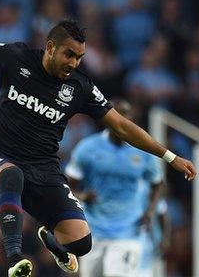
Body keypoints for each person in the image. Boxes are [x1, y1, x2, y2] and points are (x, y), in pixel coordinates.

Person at [0, 0, 197, 277]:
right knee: (11, 175)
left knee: (82, 244)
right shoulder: (15, 58)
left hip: (44, 171)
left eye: (80, 57)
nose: (74, 63)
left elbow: (122, 126)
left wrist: (169, 156)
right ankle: (15, 259)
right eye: (69, 54)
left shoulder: (79, 87)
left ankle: (49, 236)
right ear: (51, 47)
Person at [64, 100, 165, 277]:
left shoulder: (142, 150)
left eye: (127, 114)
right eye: (120, 114)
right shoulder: (87, 149)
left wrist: (149, 211)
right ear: (108, 119)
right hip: (94, 232)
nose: (124, 118)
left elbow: (158, 183)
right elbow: (68, 184)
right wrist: (82, 195)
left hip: (128, 233)